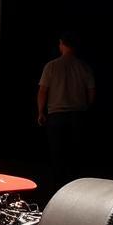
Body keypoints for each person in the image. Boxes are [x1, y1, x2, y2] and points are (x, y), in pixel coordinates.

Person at [37, 32, 95, 187]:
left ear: (62, 44)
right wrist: (87, 107)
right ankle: (75, 186)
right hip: (78, 115)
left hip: (56, 116)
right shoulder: (83, 66)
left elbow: (43, 91)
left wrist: (41, 112)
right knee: (76, 154)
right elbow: (92, 91)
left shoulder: (51, 66)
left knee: (57, 155)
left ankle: (58, 187)